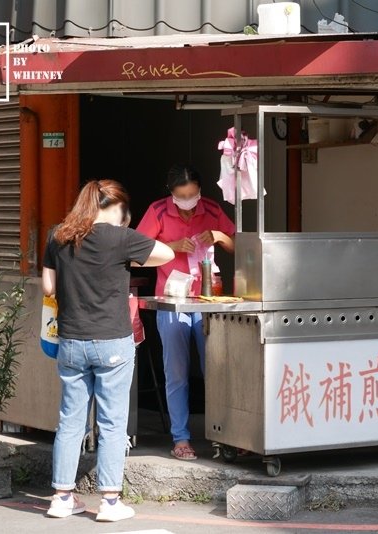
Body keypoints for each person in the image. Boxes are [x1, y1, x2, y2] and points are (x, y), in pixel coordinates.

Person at [42, 180, 174, 521]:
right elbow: (167, 253)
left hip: (71, 340)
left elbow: (48, 286)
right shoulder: (121, 238)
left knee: (70, 422)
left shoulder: (59, 235)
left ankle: (61, 497)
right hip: (112, 342)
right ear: (116, 207)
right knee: (113, 423)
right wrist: (129, 253)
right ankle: (110, 502)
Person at [137, 164, 235, 461]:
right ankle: (181, 438)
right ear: (172, 193)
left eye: (193, 194)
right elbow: (137, 254)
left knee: (215, 370)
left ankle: (225, 436)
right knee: (176, 372)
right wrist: (170, 246)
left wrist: (218, 235)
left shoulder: (212, 208)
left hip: (207, 300)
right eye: (182, 196)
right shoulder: (157, 211)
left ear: (200, 191)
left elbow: (237, 244)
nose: (189, 201)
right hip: (173, 301)